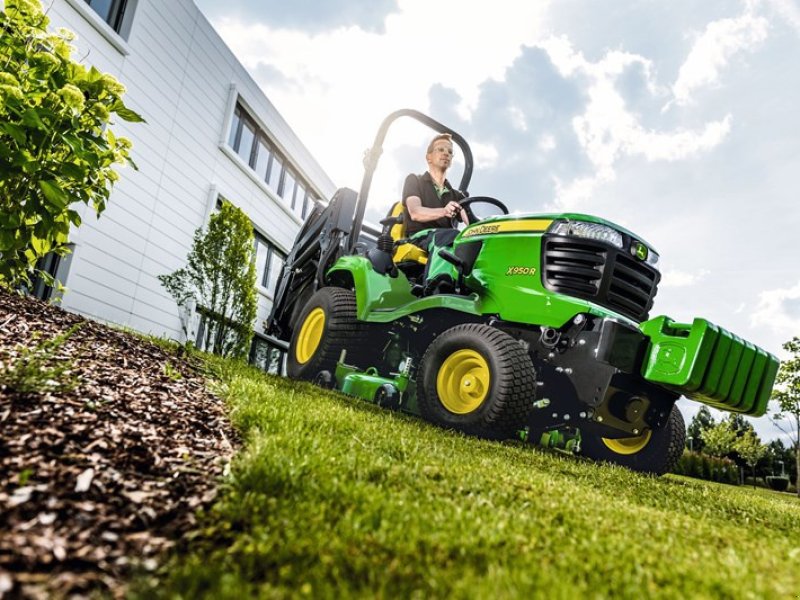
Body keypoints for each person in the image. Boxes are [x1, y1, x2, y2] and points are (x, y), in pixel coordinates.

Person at [401, 133, 467, 287]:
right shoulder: (415, 180)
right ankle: (437, 284)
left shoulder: (456, 195)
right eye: (441, 149)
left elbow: (470, 221)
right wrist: (444, 211)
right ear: (428, 157)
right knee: (449, 235)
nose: (446, 154)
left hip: (447, 238)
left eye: (450, 152)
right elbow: (415, 212)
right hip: (420, 236)